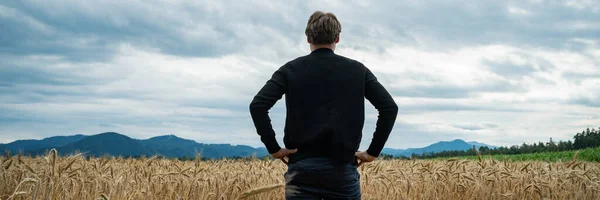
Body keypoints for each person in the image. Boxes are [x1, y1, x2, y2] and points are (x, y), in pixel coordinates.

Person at [249, 10, 398, 200]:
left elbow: (258, 105)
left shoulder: (289, 70)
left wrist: (274, 148)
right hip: (342, 169)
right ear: (337, 38)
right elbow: (389, 108)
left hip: (302, 169)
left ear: (307, 38)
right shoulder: (358, 71)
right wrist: (372, 152)